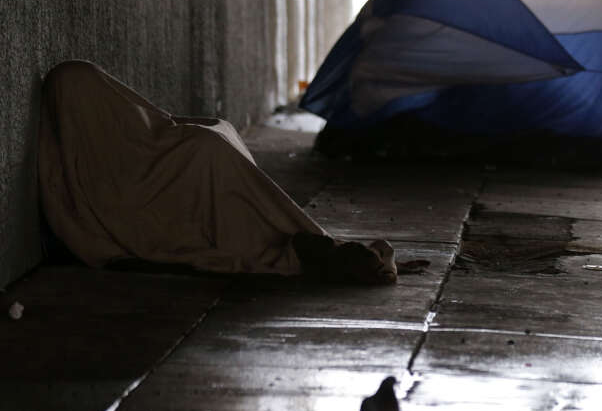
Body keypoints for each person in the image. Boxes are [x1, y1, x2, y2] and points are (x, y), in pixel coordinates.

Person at [37, 60, 397, 284]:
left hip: (196, 180)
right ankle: (306, 246)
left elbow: (151, 127)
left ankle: (306, 244)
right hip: (188, 199)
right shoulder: (82, 169)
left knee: (215, 146)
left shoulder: (100, 145)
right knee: (213, 158)